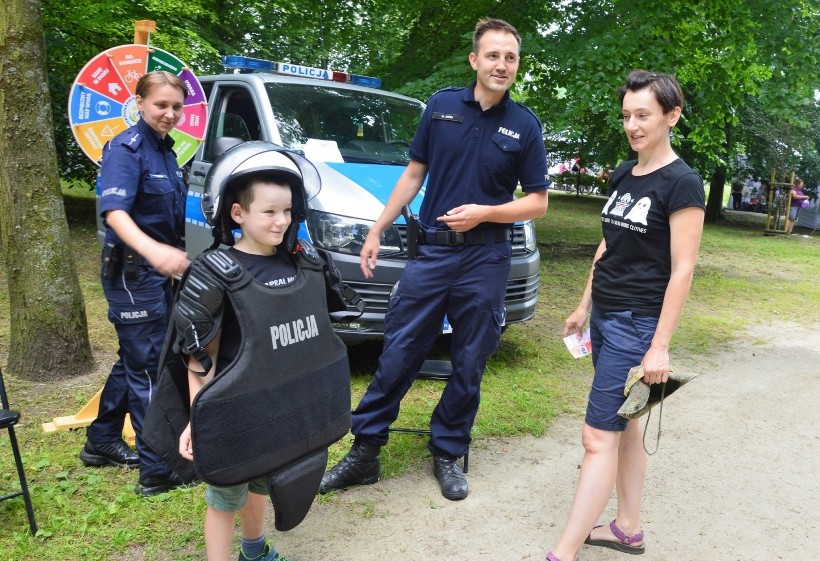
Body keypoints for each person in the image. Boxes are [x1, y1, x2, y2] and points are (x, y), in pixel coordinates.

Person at [318, 17, 550, 501]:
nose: (501, 64)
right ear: (475, 60)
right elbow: (413, 175)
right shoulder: (442, 107)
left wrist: (488, 212)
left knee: (470, 361)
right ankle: (365, 452)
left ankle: (447, 449)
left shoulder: (525, 125)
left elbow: (538, 202)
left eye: (510, 57)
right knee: (399, 351)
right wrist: (378, 229)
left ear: (516, 64)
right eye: (493, 55)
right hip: (433, 255)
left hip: (487, 259)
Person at [546, 70, 705, 561]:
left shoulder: (683, 184)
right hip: (607, 316)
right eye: (627, 116)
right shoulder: (622, 172)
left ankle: (564, 552)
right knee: (626, 424)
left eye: (643, 115)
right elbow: (609, 245)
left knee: (597, 436)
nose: (632, 125)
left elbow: (683, 270)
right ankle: (627, 528)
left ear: (671, 116)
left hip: (637, 324)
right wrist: (584, 303)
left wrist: (659, 344)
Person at [173, 144, 348, 561]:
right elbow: (201, 359)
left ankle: (254, 551)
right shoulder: (216, 273)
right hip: (233, 413)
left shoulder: (303, 264)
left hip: (277, 407)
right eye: (269, 212)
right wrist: (201, 420)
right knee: (225, 497)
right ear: (238, 214)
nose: (281, 221)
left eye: (287, 211)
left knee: (260, 483)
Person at [80, 71, 192, 496]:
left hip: (156, 274)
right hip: (132, 273)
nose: (169, 113)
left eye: (176, 107)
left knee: (136, 358)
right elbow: (115, 214)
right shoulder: (126, 149)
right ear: (140, 103)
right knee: (150, 367)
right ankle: (159, 469)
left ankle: (102, 440)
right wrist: (154, 251)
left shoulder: (166, 152)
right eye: (161, 105)